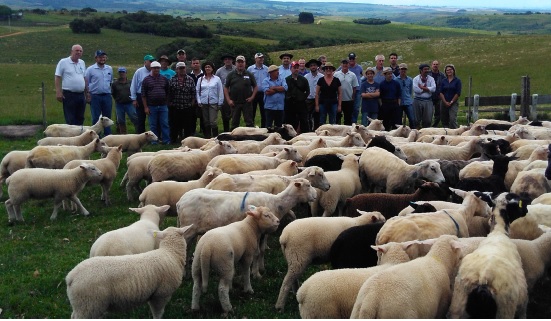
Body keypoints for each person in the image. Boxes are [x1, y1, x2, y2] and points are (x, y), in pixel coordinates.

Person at [55, 44, 88, 125]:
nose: (79, 52)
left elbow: (84, 78)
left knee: (80, 117)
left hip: (81, 95)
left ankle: (80, 136)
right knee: (70, 118)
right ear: (71, 51)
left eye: (80, 51)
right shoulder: (63, 62)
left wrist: (86, 92)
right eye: (77, 50)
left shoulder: (82, 63)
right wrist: (58, 92)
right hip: (69, 94)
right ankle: (71, 137)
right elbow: (57, 77)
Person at [224, 55, 258, 130]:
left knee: (249, 123)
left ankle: (251, 139)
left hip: (247, 102)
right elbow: (226, 88)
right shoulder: (231, 75)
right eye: (238, 62)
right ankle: (233, 139)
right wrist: (228, 100)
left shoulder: (249, 74)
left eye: (242, 62)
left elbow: (255, 86)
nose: (240, 64)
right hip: (235, 103)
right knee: (234, 123)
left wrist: (252, 97)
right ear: (235, 63)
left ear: (245, 63)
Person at [85, 50, 113, 136]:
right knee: (96, 117)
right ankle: (96, 136)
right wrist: (88, 94)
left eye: (104, 57)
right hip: (95, 96)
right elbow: (86, 82)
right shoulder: (90, 69)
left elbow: (110, 81)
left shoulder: (109, 68)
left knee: (107, 117)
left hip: (107, 95)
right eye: (100, 57)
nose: (102, 59)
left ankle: (108, 136)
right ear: (96, 58)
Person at [141, 61, 170, 144]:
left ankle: (166, 140)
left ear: (160, 69)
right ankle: (154, 141)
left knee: (164, 124)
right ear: (151, 68)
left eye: (158, 68)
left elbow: (168, 92)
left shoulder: (164, 79)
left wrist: (167, 103)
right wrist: (146, 107)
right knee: (153, 125)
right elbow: (143, 95)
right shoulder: (146, 80)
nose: (156, 69)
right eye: (154, 68)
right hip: (151, 106)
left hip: (163, 105)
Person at [167, 62, 196, 143]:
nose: (182, 70)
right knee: (174, 125)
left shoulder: (190, 79)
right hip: (175, 107)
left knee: (187, 126)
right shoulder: (172, 80)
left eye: (183, 68)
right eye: (180, 68)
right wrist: (170, 103)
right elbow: (169, 93)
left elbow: (193, 93)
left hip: (187, 106)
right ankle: (173, 140)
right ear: (176, 69)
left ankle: (187, 141)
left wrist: (192, 103)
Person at [196, 61, 224, 138]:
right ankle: (207, 137)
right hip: (203, 103)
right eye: (206, 67)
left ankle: (215, 137)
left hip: (213, 103)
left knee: (213, 122)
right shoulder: (200, 79)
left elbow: (220, 91)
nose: (207, 68)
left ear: (212, 69)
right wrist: (199, 101)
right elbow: (197, 91)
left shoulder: (217, 79)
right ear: (204, 69)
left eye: (209, 67)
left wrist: (220, 103)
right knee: (206, 121)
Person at [130, 54, 155, 134]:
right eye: (150, 61)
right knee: (141, 118)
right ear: (145, 62)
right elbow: (133, 85)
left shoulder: (154, 71)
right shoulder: (139, 71)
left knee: (153, 117)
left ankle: (154, 135)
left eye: (153, 61)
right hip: (140, 96)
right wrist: (134, 99)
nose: (151, 63)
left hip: (151, 96)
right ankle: (140, 136)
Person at [111, 67, 137, 134]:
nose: (122, 74)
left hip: (130, 103)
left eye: (123, 72)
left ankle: (138, 132)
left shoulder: (131, 82)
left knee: (134, 117)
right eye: (120, 72)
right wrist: (117, 99)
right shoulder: (115, 84)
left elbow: (134, 90)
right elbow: (113, 93)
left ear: (126, 73)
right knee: (120, 120)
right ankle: (123, 134)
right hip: (119, 104)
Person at [285, 61, 310, 132]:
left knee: (304, 120)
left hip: (301, 103)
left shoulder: (303, 79)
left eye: (297, 68)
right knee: (290, 121)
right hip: (290, 104)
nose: (296, 69)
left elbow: (307, 91)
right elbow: (285, 91)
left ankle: (305, 134)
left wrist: (302, 98)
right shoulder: (287, 79)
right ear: (291, 69)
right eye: (294, 68)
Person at [215, 53, 236, 132]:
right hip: (224, 95)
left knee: (235, 113)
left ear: (232, 60)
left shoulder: (236, 69)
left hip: (235, 94)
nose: (227, 61)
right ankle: (226, 131)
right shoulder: (219, 71)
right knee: (225, 114)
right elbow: (216, 83)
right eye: (226, 59)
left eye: (229, 59)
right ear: (224, 61)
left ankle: (234, 130)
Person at [247, 52, 269, 127]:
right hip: (253, 93)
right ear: (255, 59)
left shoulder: (266, 69)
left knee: (264, 112)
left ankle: (264, 128)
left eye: (262, 57)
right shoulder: (250, 69)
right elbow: (247, 81)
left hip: (263, 93)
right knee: (252, 112)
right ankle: (251, 128)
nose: (261, 59)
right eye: (259, 58)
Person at [334, 59, 359, 125]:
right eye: (343, 63)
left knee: (348, 118)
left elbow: (354, 87)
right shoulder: (336, 74)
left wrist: (353, 97)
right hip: (338, 99)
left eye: (346, 63)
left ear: (348, 65)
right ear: (341, 64)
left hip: (348, 99)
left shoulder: (352, 75)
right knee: (337, 117)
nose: (345, 65)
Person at [412, 63, 436, 129]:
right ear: (421, 70)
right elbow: (416, 90)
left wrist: (422, 87)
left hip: (428, 100)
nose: (427, 70)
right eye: (425, 69)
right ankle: (416, 131)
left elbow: (433, 89)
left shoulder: (431, 79)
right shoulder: (415, 79)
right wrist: (427, 89)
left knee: (428, 120)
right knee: (416, 119)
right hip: (417, 100)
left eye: (428, 69)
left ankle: (426, 132)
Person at [439, 64, 462, 129]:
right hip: (444, 102)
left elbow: (458, 93)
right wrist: (445, 102)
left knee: (452, 119)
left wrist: (451, 102)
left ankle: (455, 132)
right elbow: (440, 92)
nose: (449, 71)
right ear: (445, 72)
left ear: (453, 70)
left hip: (453, 102)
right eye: (447, 70)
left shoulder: (457, 81)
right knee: (444, 119)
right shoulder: (444, 81)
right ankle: (446, 132)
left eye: (450, 70)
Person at [378, 67, 402, 131]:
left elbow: (399, 95)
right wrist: (382, 105)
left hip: (394, 103)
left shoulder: (396, 83)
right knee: (386, 122)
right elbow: (380, 96)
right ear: (385, 75)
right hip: (385, 104)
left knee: (396, 122)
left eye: (391, 74)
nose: (390, 75)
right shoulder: (382, 84)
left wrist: (398, 105)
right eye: (388, 74)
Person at [304, 59, 323, 131]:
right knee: (308, 116)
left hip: (319, 99)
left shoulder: (321, 76)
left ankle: (317, 130)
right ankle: (309, 130)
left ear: (317, 66)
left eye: (314, 65)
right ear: (309, 67)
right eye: (311, 66)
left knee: (317, 116)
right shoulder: (306, 77)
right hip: (309, 99)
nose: (313, 67)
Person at [188, 57, 205, 136]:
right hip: (191, 99)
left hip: (202, 99)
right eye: (193, 63)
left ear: (200, 64)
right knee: (192, 117)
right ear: (191, 65)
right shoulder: (188, 75)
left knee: (203, 117)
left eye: (197, 63)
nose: (195, 65)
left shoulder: (204, 75)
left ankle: (204, 132)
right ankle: (192, 132)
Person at [346, 53, 364, 124]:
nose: (351, 60)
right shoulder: (346, 66)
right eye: (350, 59)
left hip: (358, 89)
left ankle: (354, 122)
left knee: (356, 108)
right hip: (349, 90)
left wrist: (361, 81)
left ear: (355, 59)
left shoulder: (359, 67)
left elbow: (364, 75)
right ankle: (348, 122)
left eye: (353, 58)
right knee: (349, 107)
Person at [397, 63, 415, 129]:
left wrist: (410, 98)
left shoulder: (410, 79)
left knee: (412, 119)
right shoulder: (396, 80)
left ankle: (412, 131)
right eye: (402, 69)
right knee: (399, 120)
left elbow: (410, 90)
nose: (403, 71)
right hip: (399, 102)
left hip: (408, 101)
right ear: (399, 70)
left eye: (404, 69)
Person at [430, 60, 446, 127]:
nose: (435, 66)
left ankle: (434, 126)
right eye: (434, 64)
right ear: (431, 65)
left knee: (438, 114)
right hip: (430, 96)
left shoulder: (442, 75)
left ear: (439, 65)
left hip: (438, 97)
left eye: (437, 64)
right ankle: (427, 126)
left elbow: (444, 86)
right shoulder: (428, 74)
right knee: (429, 113)